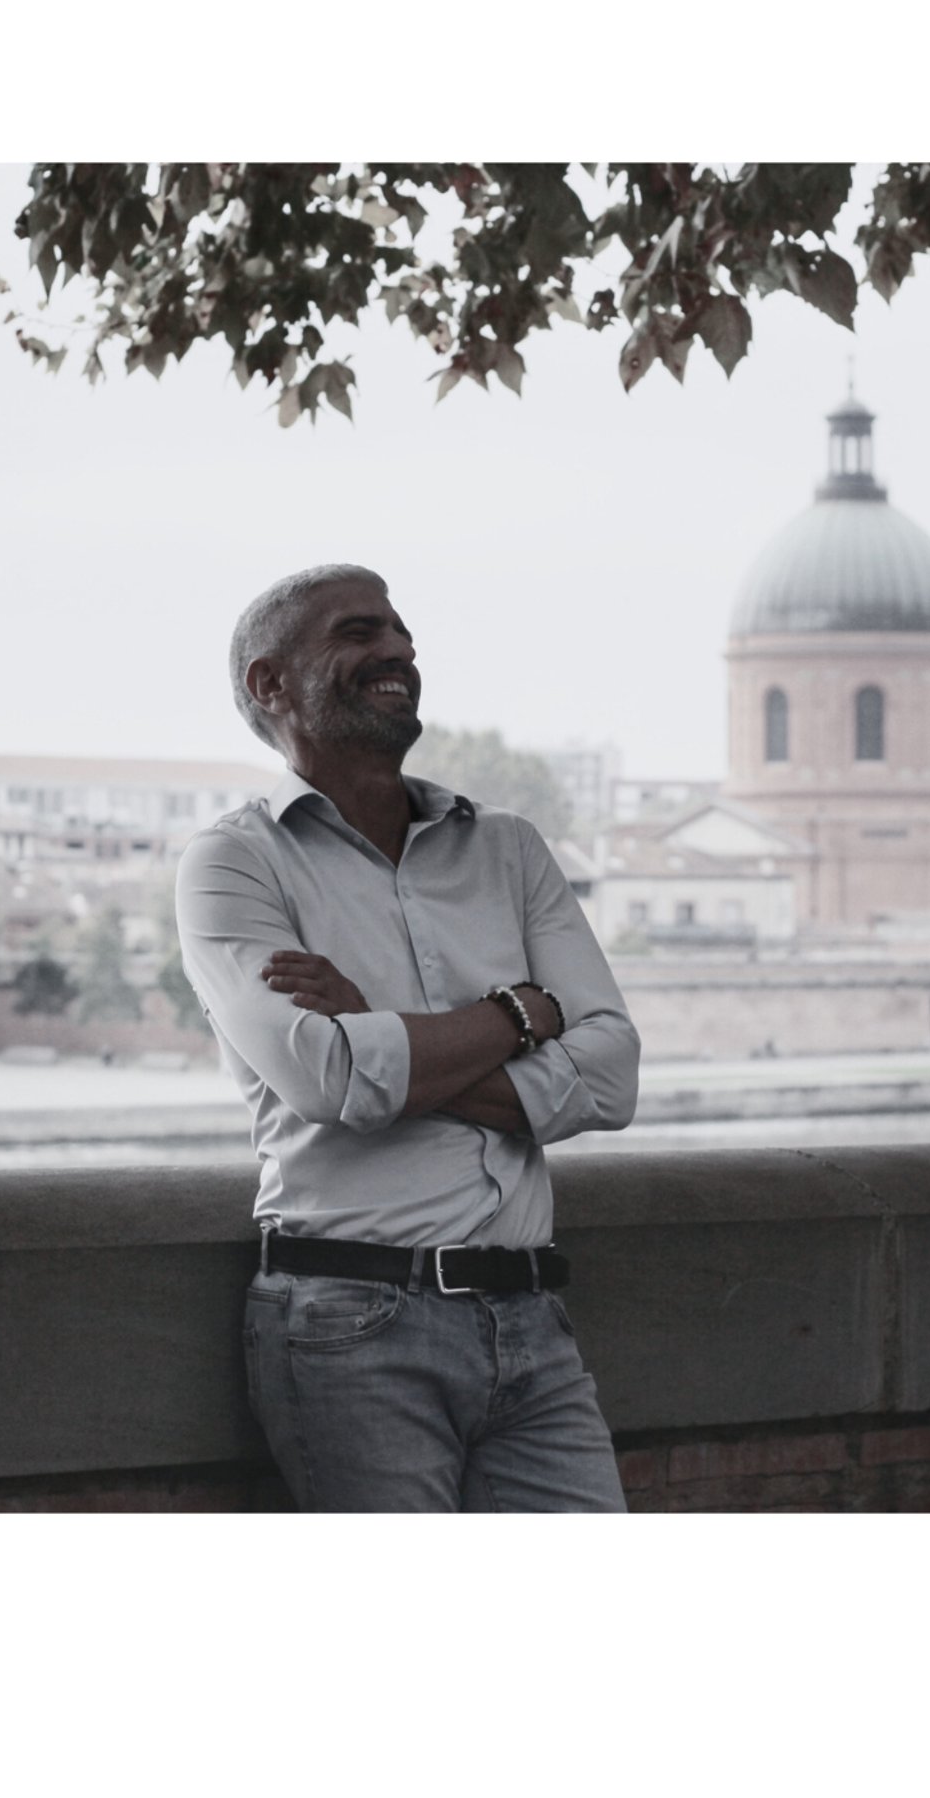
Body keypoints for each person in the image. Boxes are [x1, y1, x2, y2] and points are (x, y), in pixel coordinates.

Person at [175, 563, 641, 1512]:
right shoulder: (232, 864)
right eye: (357, 633)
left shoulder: (507, 849)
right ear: (270, 685)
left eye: (402, 634)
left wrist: (378, 1030)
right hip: (351, 1323)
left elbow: (611, 1075)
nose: (397, 652)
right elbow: (331, 1081)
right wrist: (519, 1016)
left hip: (533, 1320)